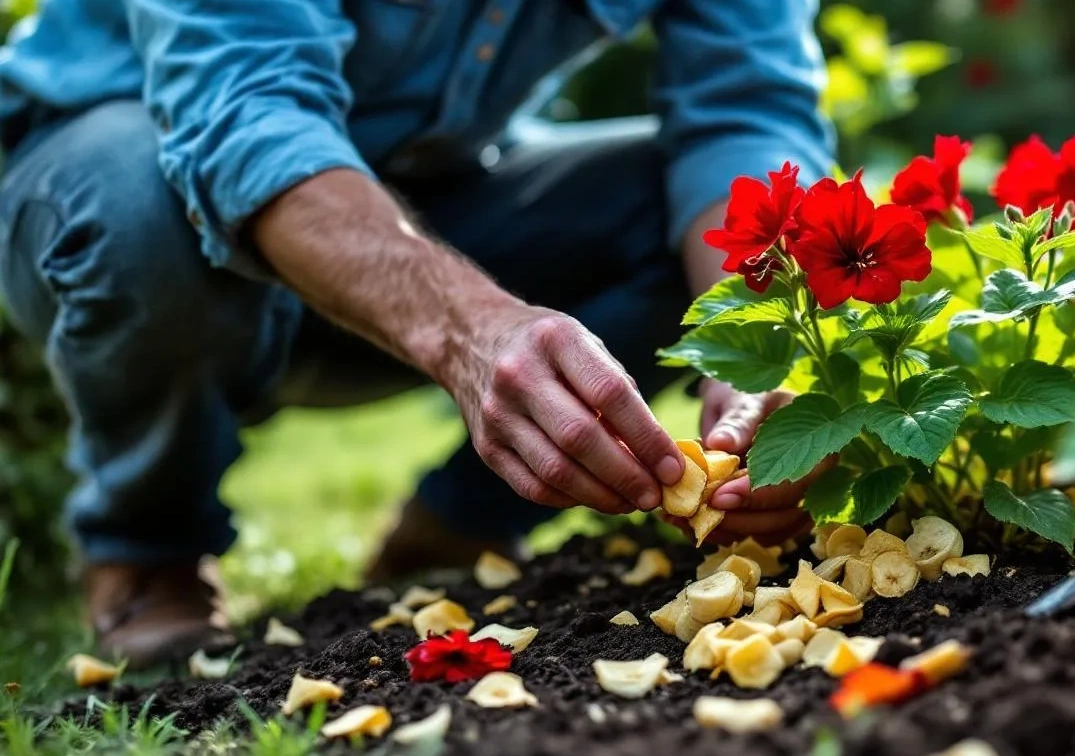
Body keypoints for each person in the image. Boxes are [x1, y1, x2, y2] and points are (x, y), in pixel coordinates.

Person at [0, 0, 833, 667]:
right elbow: (244, 116)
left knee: (681, 211)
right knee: (136, 213)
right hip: (130, 173)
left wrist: (757, 350)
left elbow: (746, 107)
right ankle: (148, 550)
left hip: (431, 192)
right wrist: (471, 329)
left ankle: (460, 523)